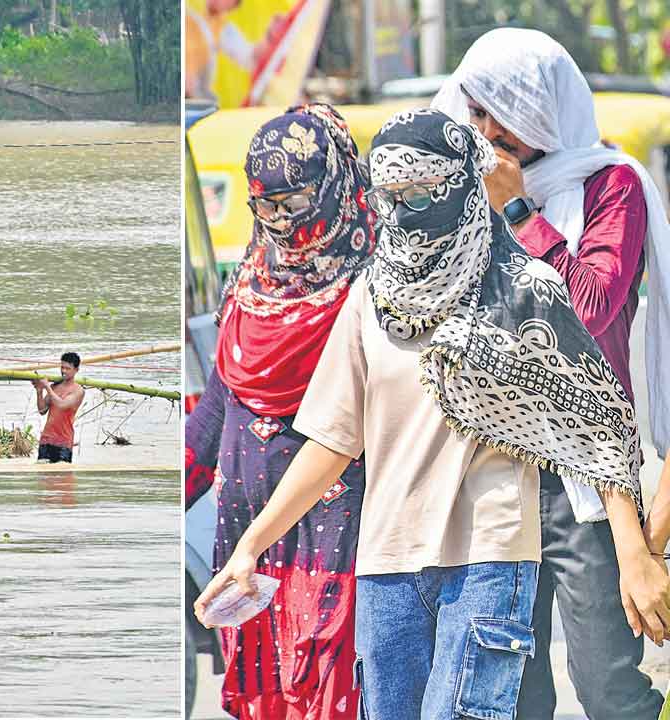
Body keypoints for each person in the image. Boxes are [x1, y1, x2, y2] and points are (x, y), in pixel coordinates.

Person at [196, 108, 657, 719]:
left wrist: (633, 555)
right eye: (390, 195)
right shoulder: (373, 297)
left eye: (422, 192)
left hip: (488, 562)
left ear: (465, 187)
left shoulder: (524, 288)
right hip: (387, 569)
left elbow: (591, 426)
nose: (404, 211)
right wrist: (250, 548)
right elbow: (333, 440)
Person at [432, 29, 670, 719]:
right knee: (509, 691)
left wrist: (518, 212)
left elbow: (590, 312)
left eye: (499, 114)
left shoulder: (609, 186)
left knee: (608, 685)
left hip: (589, 477)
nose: (484, 132)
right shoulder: (462, 194)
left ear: (540, 110)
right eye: (474, 113)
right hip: (492, 469)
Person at [183, 103, 375, 719]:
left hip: (339, 539)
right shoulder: (253, 280)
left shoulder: (375, 286)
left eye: (295, 204)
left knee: (331, 694)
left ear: (336, 190)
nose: (282, 224)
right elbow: (218, 407)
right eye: (266, 207)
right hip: (248, 545)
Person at [34, 352, 84, 463]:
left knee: (62, 477)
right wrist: (39, 391)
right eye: (62, 367)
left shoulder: (78, 390)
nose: (64, 371)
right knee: (43, 476)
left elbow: (62, 405)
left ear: (76, 370)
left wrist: (47, 386)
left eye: (68, 368)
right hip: (46, 439)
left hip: (64, 441)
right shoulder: (55, 386)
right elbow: (42, 410)